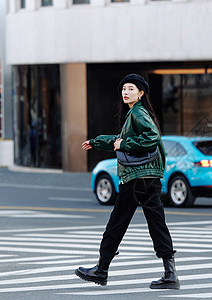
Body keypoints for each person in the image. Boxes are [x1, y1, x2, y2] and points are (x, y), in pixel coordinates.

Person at [75, 73, 180, 290]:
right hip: (149, 178)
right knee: (157, 224)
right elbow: (120, 139)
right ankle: (170, 274)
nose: (126, 92)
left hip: (136, 178)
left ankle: (101, 270)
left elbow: (150, 138)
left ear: (141, 93)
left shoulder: (138, 112)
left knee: (117, 223)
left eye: (131, 88)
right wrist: (98, 142)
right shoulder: (136, 113)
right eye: (124, 88)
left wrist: (123, 145)